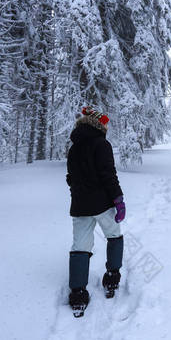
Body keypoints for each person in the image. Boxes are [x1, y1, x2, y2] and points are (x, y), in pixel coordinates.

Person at [66, 106, 126, 312]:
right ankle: (112, 278)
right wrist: (118, 199)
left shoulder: (74, 147)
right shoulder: (102, 144)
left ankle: (77, 294)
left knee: (80, 247)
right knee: (114, 235)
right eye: (105, 124)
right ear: (99, 124)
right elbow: (108, 174)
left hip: (80, 205)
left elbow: (70, 178)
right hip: (102, 204)